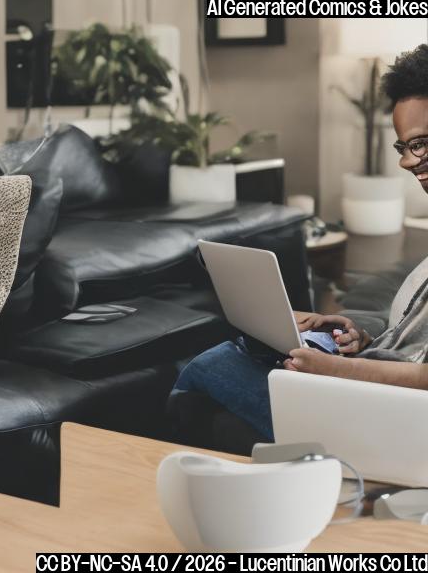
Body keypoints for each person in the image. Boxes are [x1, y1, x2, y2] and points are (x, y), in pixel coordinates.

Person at [172, 44, 428, 440]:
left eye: (420, 143)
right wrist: (360, 338)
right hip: (374, 394)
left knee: (210, 368)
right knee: (236, 356)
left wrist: (335, 369)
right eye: (404, 147)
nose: (408, 161)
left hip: (392, 422)